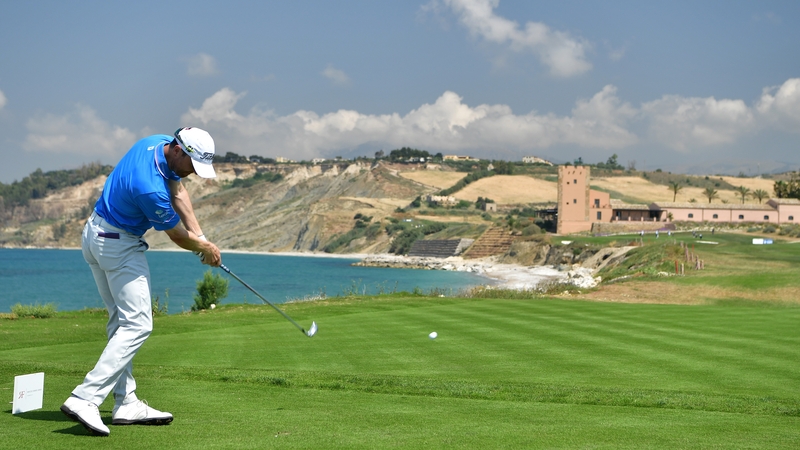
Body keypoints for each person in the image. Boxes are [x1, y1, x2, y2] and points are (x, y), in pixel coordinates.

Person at [61, 127, 222, 436]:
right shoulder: (149, 188)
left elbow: (179, 191)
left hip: (95, 235)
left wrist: (201, 237)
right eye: (192, 165)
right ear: (178, 150)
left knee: (121, 323)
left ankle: (126, 403)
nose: (194, 174)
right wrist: (206, 248)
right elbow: (176, 235)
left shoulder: (156, 143)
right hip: (117, 245)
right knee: (138, 324)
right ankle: (85, 397)